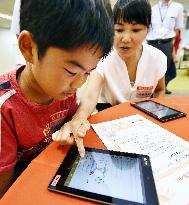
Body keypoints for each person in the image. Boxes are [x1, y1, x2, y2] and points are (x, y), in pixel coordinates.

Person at [0, 0, 114, 197]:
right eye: (71, 71)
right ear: (29, 48)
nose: (79, 84)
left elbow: (71, 124)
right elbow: (6, 190)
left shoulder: (61, 89)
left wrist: (76, 126)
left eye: (88, 73)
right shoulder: (5, 108)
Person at [53, 0, 167, 150]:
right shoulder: (103, 57)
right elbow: (90, 96)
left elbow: (159, 90)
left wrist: (157, 114)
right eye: (119, 30)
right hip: (109, 114)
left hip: (142, 117)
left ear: (147, 30)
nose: (126, 38)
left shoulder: (157, 58)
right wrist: (78, 118)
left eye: (136, 30)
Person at [146, 0, 184, 94]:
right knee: (151, 71)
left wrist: (174, 51)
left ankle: (161, 87)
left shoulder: (178, 7)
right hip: (152, 43)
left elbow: (177, 32)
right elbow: (147, 29)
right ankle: (153, 91)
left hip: (167, 44)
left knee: (170, 72)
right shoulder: (152, 9)